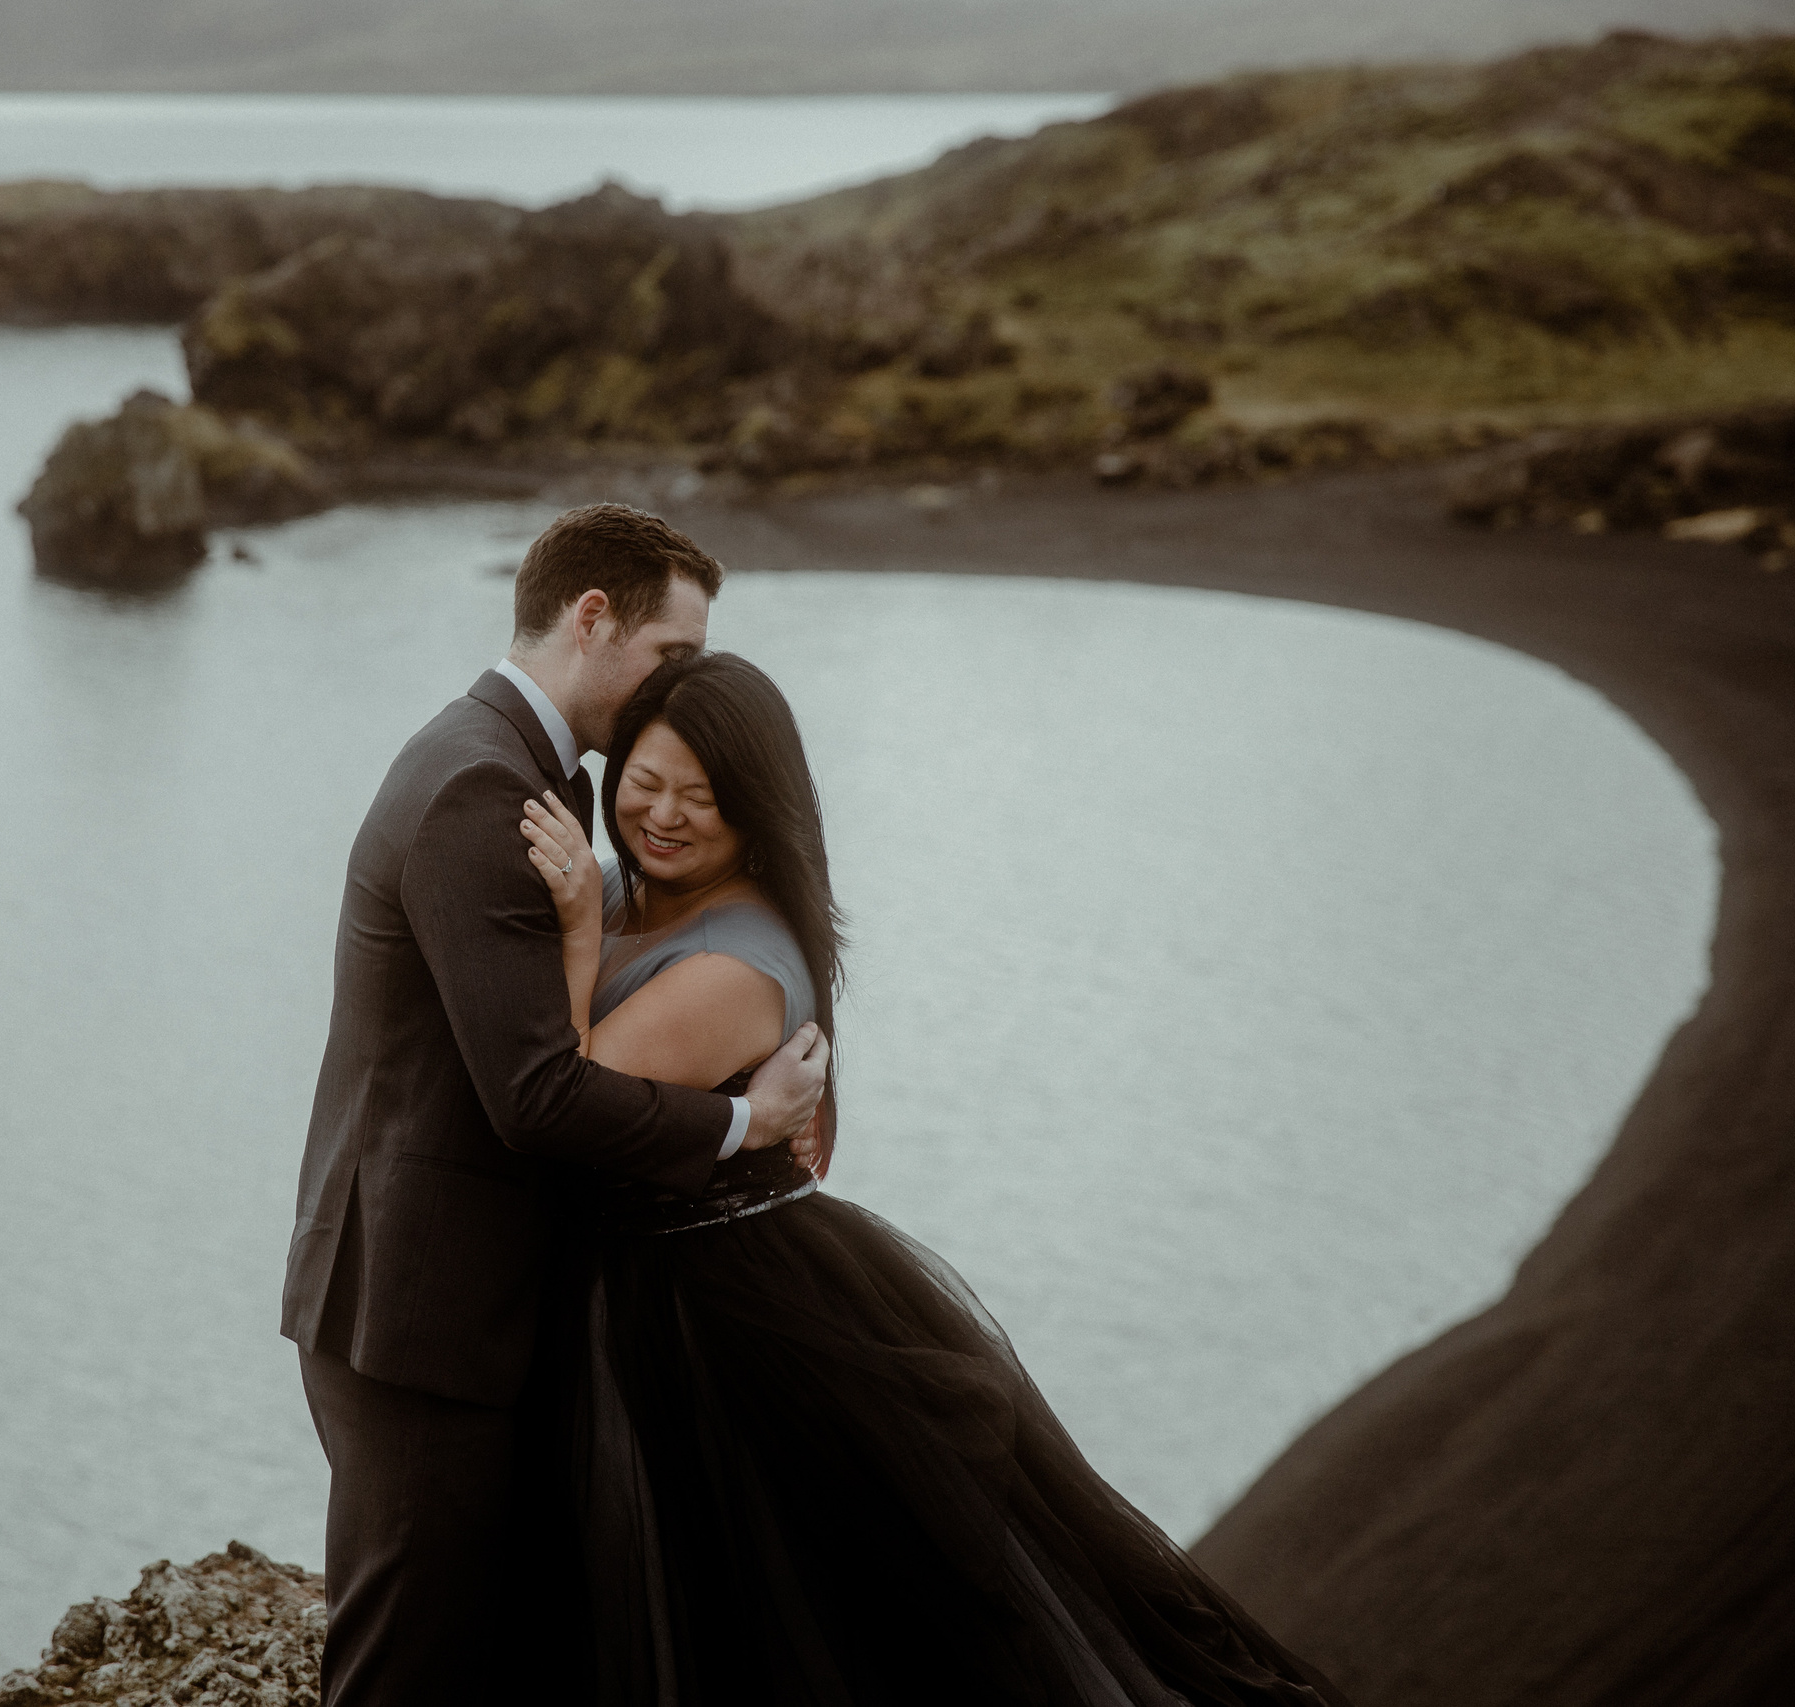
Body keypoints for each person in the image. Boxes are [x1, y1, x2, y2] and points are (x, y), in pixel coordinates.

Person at [516, 652, 1354, 1707]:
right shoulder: (633, 889)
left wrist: (576, 928)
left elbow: (568, 1094)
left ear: (760, 808)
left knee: (757, 1618)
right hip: (639, 1279)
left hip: (709, 1315)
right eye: (645, 782)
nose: (665, 815)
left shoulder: (737, 960)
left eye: (705, 797)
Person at [282, 506, 834, 1706]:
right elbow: (537, 1096)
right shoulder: (488, 787)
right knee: (398, 1675)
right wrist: (747, 1126)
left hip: (432, 1299)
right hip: (419, 1315)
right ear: (594, 619)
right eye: (672, 659)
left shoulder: (518, 768)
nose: (680, 691)